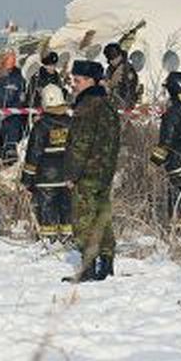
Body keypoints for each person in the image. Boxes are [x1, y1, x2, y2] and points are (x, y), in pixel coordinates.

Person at [64, 60, 120, 282]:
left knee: (83, 220)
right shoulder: (108, 105)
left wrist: (71, 174)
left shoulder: (86, 106)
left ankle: (87, 268)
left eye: (77, 81)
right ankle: (106, 263)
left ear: (90, 81)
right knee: (102, 216)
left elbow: (80, 144)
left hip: (87, 173)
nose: (73, 85)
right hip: (105, 172)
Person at [148, 72, 181, 229]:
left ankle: (177, 232)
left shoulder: (173, 113)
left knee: (177, 199)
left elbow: (166, 142)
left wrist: (154, 162)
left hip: (178, 163)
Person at [20, 84, 73, 242]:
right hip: (68, 177)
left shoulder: (40, 126)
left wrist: (27, 179)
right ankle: (67, 238)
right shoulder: (72, 123)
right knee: (67, 209)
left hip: (46, 178)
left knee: (47, 210)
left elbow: (33, 154)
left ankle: (49, 240)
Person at [0, 51, 27, 163]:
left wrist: (8, 112)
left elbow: (21, 100)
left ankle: (10, 151)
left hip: (12, 116)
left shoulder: (19, 78)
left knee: (13, 125)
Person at [103, 42, 141, 110]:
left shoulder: (127, 69)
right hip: (112, 103)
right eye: (110, 59)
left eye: (113, 58)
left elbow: (130, 92)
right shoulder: (110, 68)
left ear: (119, 56)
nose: (111, 61)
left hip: (123, 105)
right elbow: (107, 82)